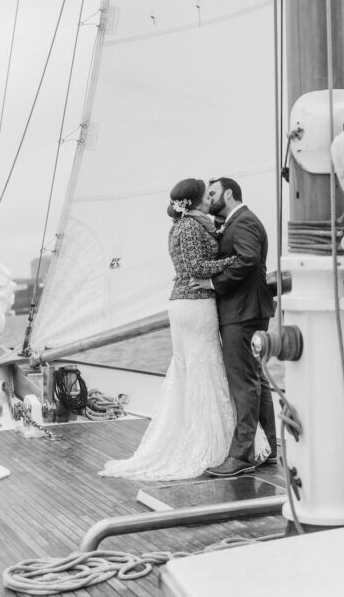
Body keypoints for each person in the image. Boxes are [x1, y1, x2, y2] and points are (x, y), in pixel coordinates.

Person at [99, 177, 260, 481]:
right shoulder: (189, 226)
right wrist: (228, 262)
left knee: (199, 372)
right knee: (204, 371)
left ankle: (221, 441)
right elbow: (195, 268)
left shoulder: (193, 223)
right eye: (207, 193)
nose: (210, 198)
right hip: (195, 304)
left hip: (189, 304)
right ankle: (210, 444)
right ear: (197, 199)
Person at [190, 176, 277, 479]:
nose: (209, 198)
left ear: (228, 193)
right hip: (249, 309)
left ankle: (241, 455)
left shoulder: (243, 222)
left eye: (212, 193)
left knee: (242, 382)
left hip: (242, 311)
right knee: (256, 380)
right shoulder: (237, 221)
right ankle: (270, 447)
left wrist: (212, 281)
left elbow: (248, 260)